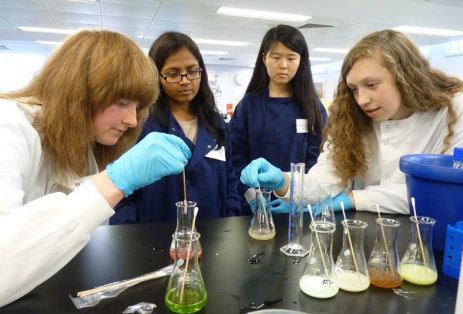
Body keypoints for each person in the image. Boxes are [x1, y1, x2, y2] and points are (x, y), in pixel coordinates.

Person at [0, 30, 191, 307]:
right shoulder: (8, 125)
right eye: (122, 102)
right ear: (77, 91)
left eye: (138, 106)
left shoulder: (83, 143)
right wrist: (112, 183)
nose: (132, 120)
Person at [240, 29, 463, 215]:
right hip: (364, 239)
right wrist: (284, 182)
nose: (362, 99)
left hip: (434, 242)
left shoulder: (458, 110)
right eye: (353, 89)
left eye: (372, 85)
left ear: (406, 75)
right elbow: (325, 181)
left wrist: (354, 198)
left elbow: (446, 193)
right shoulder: (353, 119)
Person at [110, 31, 240, 224]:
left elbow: (231, 183)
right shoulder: (140, 126)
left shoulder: (216, 125)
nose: (185, 80)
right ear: (156, 76)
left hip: (214, 237)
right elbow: (122, 193)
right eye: (173, 74)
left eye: (192, 71)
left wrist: (231, 226)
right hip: (155, 238)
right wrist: (130, 238)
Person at [229, 24, 327, 215]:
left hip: (299, 205)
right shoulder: (249, 105)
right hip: (254, 204)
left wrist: (298, 198)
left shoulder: (313, 108)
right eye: (276, 57)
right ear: (264, 58)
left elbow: (318, 160)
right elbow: (235, 155)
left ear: (301, 61)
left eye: (291, 58)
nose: (283, 65)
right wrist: (250, 195)